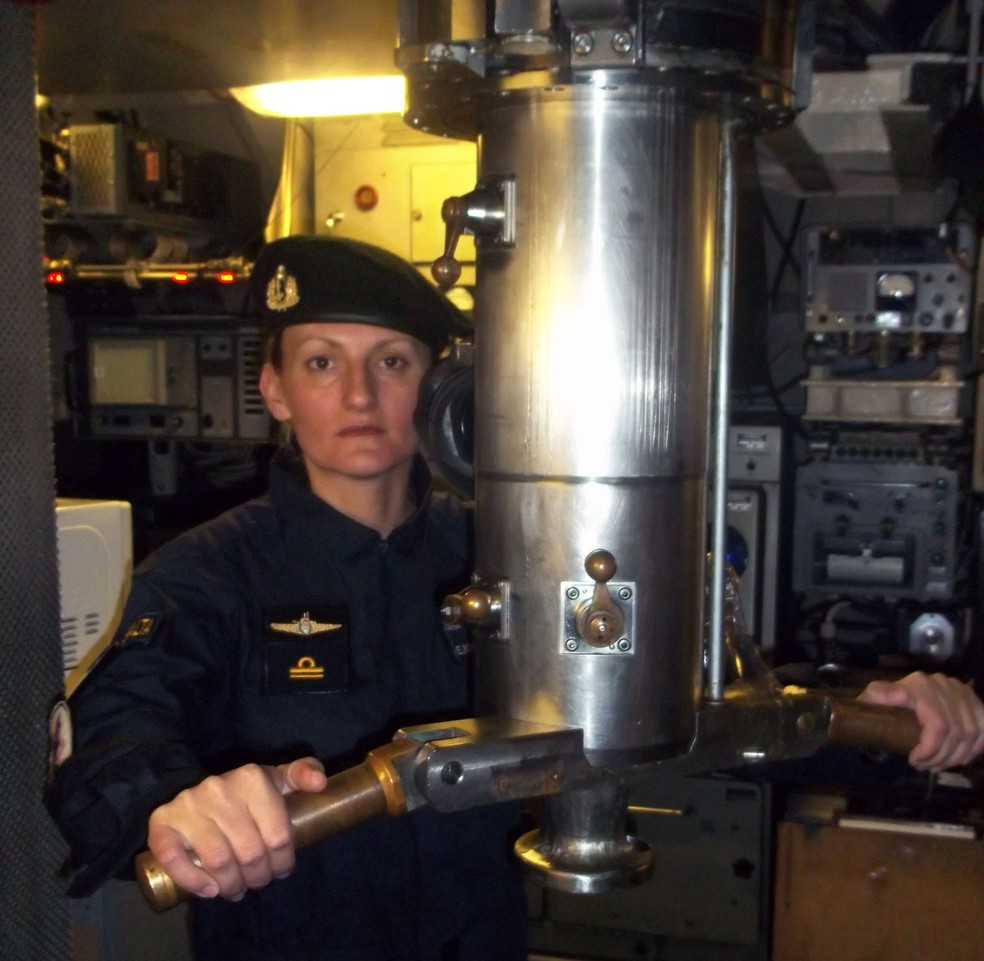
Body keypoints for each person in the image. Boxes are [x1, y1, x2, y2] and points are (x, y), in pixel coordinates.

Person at [45, 235, 984, 960]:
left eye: (394, 361)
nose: (361, 393)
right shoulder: (208, 575)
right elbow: (113, 727)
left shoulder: (515, 560)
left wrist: (894, 722)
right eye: (322, 361)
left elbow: (690, 697)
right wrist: (175, 805)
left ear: (439, 385)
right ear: (276, 391)